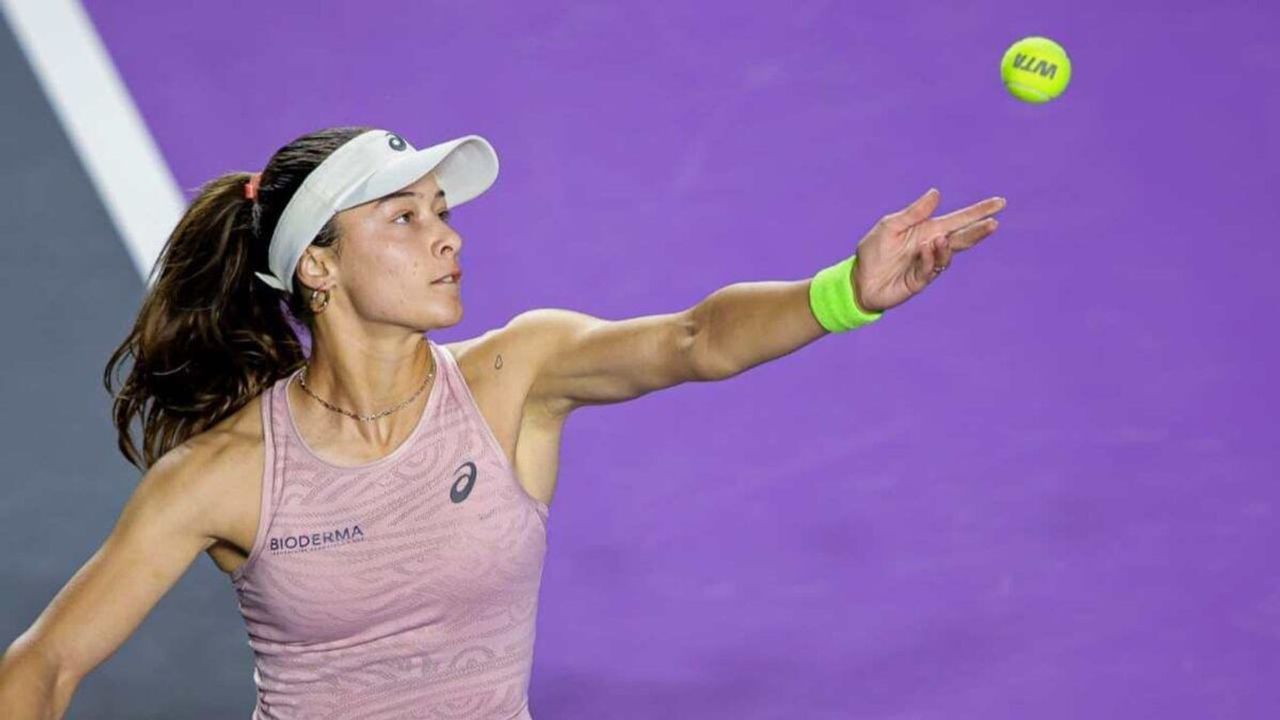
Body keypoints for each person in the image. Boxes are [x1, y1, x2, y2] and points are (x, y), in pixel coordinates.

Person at [0, 125, 1006, 719]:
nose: (446, 238)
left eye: (442, 211)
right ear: (318, 265)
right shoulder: (223, 474)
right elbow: (43, 665)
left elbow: (696, 339)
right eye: (405, 218)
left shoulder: (515, 373)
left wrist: (843, 293)